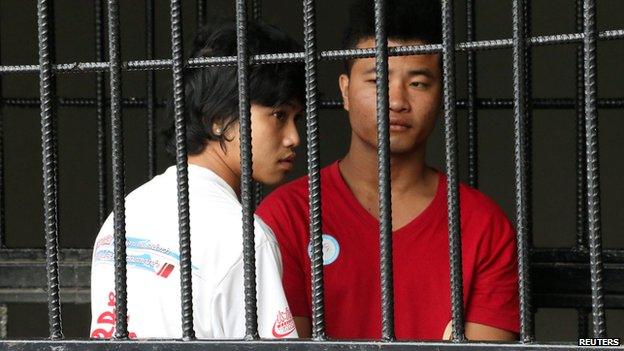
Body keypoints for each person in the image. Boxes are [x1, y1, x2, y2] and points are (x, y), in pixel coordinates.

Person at [256, 0, 519, 341]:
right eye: (378, 79)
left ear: (440, 95)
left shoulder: (483, 226)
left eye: (419, 83)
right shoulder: (286, 217)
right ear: (346, 91)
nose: (396, 100)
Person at [90, 20, 303, 339]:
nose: (294, 138)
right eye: (279, 116)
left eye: (297, 119)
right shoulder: (246, 238)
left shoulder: (123, 216)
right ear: (218, 120)